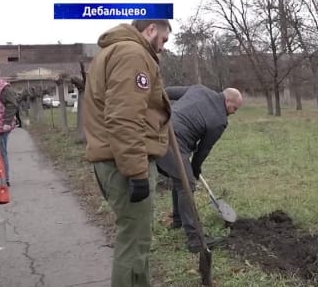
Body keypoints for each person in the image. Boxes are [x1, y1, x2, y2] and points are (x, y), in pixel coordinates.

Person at [83, 19, 172, 287]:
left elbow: (132, 107)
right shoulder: (132, 54)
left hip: (115, 158)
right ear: (152, 29)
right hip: (124, 163)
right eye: (164, 40)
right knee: (134, 245)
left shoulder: (114, 51)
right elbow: (123, 117)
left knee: (135, 239)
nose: (164, 47)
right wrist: (136, 172)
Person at [156, 85, 243, 253]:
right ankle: (195, 239)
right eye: (234, 108)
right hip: (173, 142)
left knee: (180, 179)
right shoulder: (219, 121)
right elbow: (203, 149)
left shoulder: (199, 89)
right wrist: (195, 168)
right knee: (186, 185)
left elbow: (166, 92)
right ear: (227, 101)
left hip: (156, 131)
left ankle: (178, 220)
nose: (234, 112)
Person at [0, 69, 18, 187]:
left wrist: (7, 121)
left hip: (2, 125)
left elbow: (12, 104)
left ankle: (5, 179)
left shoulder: (4, 88)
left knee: (1, 152)